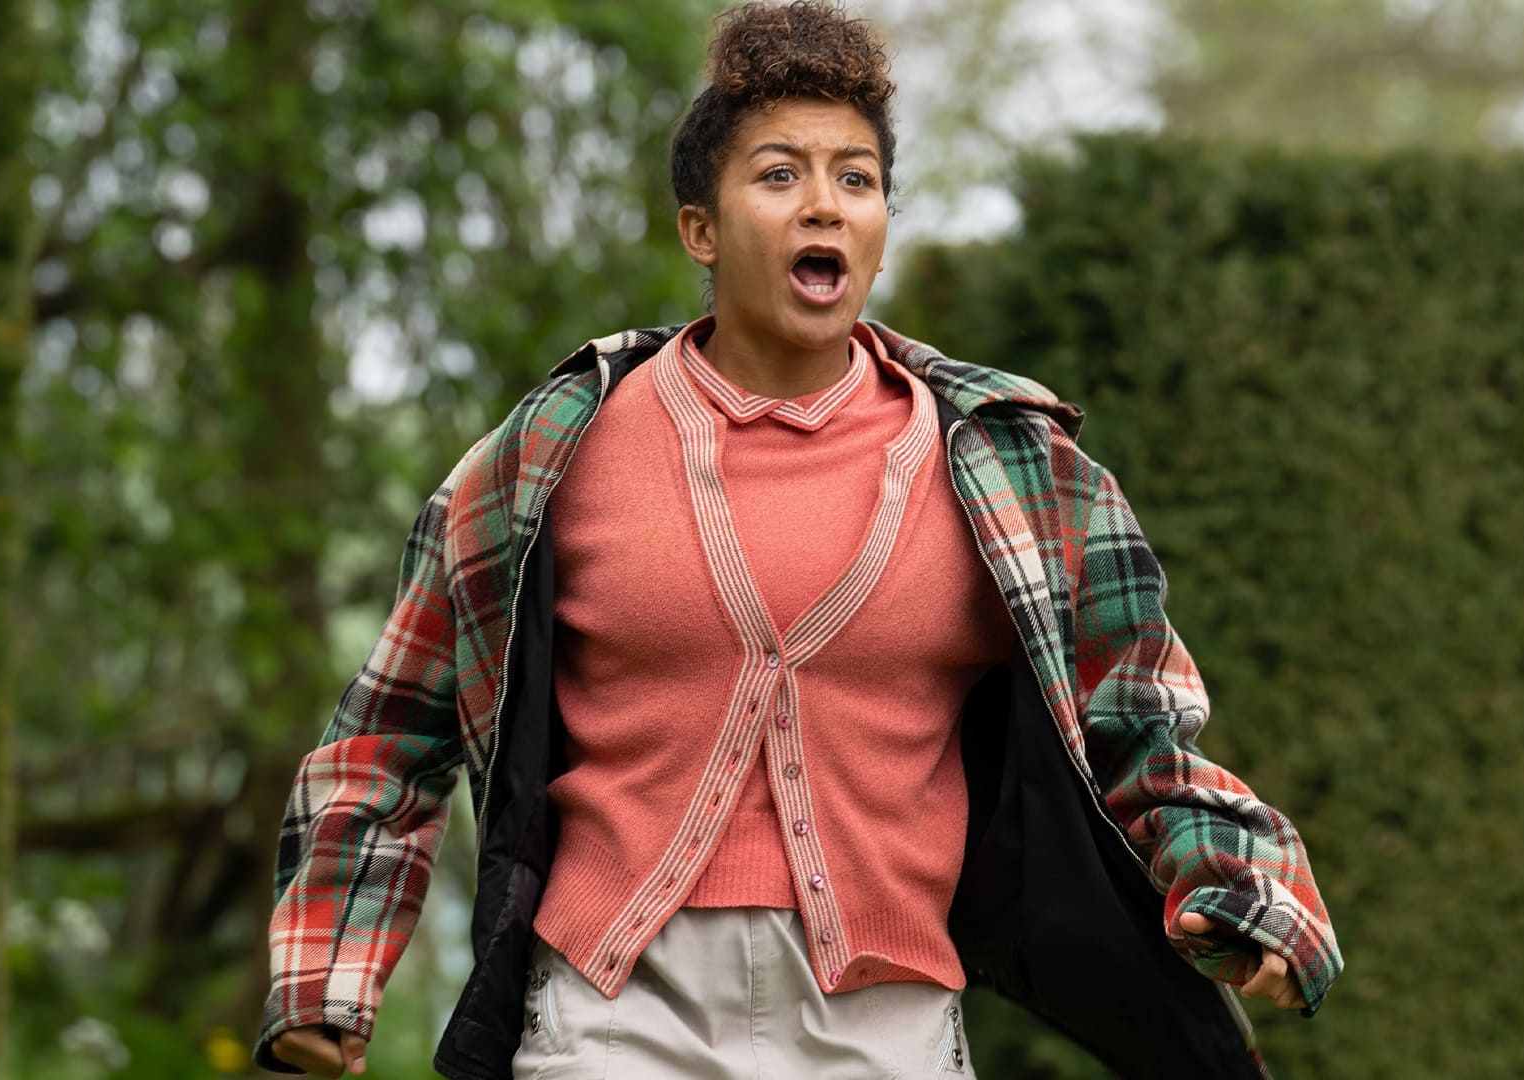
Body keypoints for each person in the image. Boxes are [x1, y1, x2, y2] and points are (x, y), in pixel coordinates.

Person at [254, 3, 1342, 1078]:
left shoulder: (1016, 469)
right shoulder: (547, 453)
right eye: (779, 174)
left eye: (855, 179)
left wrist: (1248, 890)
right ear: (700, 230)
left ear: (880, 227)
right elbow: (389, 732)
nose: (824, 203)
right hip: (611, 1016)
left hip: (887, 1025)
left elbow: (1141, 727)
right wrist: (324, 977)